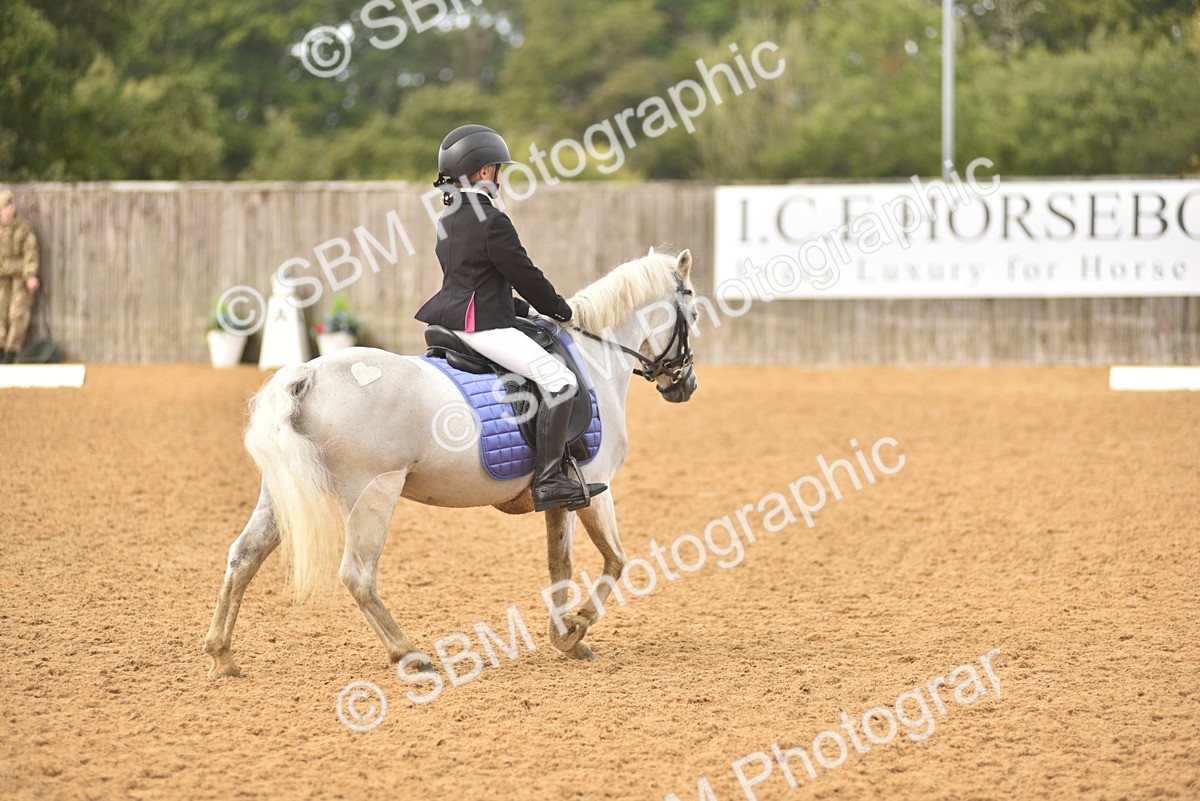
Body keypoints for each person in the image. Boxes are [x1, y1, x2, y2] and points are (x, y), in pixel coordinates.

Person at [415, 125, 607, 512]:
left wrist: (519, 309)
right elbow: (524, 274)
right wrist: (559, 309)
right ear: (485, 171)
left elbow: (473, 278)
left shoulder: (448, 218)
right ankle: (551, 479)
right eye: (498, 168)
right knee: (561, 379)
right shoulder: (492, 219)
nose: (501, 176)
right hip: (481, 326)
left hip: (452, 319)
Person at [0, 189, 40, 364]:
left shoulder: (23, 228)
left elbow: (31, 253)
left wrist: (30, 275)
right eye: (4, 207)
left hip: (19, 278)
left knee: (18, 314)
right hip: (1, 277)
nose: (8, 210)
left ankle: (11, 351)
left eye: (10, 206)